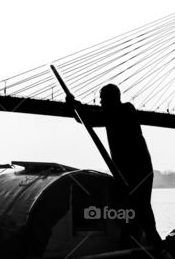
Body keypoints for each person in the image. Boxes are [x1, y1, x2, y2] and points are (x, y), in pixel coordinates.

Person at [67, 84, 159, 243]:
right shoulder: (111, 113)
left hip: (139, 169)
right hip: (123, 171)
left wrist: (76, 106)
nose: (100, 102)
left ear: (113, 98)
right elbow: (87, 119)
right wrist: (73, 107)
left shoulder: (125, 110)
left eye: (103, 99)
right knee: (127, 207)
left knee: (141, 206)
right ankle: (132, 239)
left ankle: (153, 242)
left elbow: (93, 117)